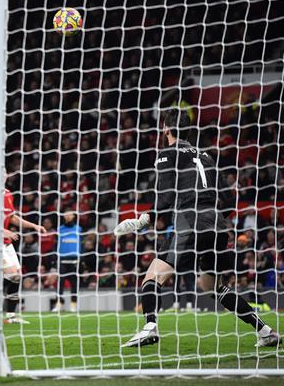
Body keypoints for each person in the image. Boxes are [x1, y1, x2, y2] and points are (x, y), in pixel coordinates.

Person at [115, 109, 280, 348]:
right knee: (212, 287)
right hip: (217, 225)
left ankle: (150, 327)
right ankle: (266, 331)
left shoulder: (166, 154)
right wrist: (213, 222)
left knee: (153, 274)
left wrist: (143, 220)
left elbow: (166, 195)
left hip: (189, 221)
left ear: (166, 128)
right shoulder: (206, 156)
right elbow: (229, 200)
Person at [0, 171, 47, 324]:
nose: (2, 175)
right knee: (10, 274)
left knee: (16, 276)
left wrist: (34, 226)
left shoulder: (8, 194)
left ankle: (10, 316)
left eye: (4, 173)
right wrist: (3, 230)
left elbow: (12, 217)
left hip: (5, 242)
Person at [51, 211, 82, 313]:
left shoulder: (79, 229)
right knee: (60, 283)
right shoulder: (59, 229)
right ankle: (59, 304)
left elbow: (81, 244)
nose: (68, 216)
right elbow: (55, 244)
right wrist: (54, 258)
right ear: (63, 216)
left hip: (74, 259)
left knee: (74, 283)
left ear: (74, 216)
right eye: (66, 214)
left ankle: (73, 305)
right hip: (62, 259)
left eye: (70, 214)